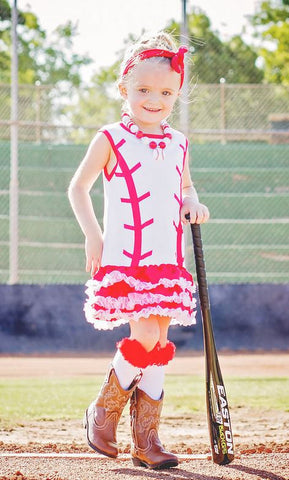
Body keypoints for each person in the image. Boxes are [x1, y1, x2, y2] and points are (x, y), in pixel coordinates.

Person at [68, 31, 209, 470]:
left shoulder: (179, 142)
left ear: (177, 95)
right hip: (129, 262)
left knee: (160, 343)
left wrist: (193, 203)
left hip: (168, 262)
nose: (155, 99)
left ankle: (146, 440)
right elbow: (78, 187)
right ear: (123, 88)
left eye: (166, 92)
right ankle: (102, 412)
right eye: (144, 89)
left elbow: (185, 187)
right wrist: (93, 235)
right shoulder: (111, 137)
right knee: (145, 338)